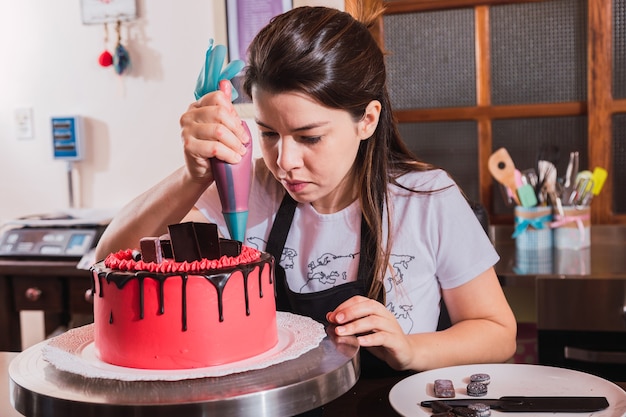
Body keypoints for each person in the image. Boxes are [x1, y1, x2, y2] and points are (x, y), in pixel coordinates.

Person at [96, 5, 517, 376]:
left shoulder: (426, 199)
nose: (284, 162)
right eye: (268, 134)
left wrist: (410, 349)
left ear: (367, 120)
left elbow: (498, 333)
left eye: (309, 137)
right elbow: (108, 262)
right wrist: (193, 175)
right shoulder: (245, 191)